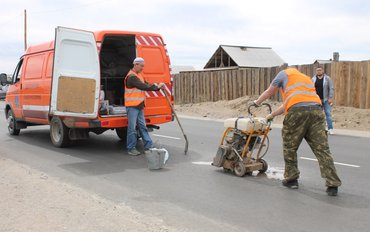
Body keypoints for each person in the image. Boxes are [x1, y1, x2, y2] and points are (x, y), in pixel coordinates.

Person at [253, 67, 341, 196]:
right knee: (322, 150)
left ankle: (291, 179)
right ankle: (333, 185)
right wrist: (271, 115)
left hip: (297, 114)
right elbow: (292, 103)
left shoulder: (283, 74)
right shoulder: (305, 78)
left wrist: (257, 102)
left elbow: (269, 92)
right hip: (316, 111)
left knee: (290, 147)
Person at [124, 57, 165, 156]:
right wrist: (157, 88)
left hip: (139, 106)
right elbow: (143, 86)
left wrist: (157, 86)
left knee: (143, 127)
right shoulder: (131, 77)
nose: (143, 68)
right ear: (136, 64)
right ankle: (131, 148)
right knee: (132, 128)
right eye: (141, 66)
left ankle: (148, 145)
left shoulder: (139, 75)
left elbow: (146, 84)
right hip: (132, 106)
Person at [312, 66, 335, 135]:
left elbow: (331, 88)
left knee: (328, 114)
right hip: (316, 100)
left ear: (323, 71)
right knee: (317, 115)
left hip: (325, 100)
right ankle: (319, 128)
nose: (319, 71)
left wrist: (330, 98)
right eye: (317, 70)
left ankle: (330, 128)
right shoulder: (313, 79)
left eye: (320, 70)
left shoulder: (327, 79)